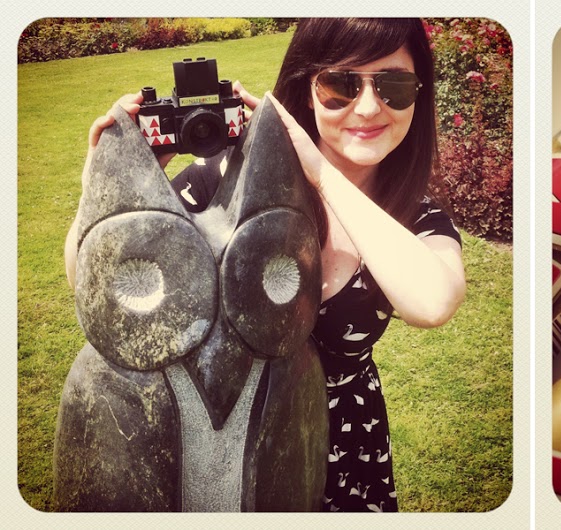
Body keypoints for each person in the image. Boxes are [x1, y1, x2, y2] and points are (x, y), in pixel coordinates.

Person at [67, 18, 466, 512]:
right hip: (228, 441)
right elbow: (91, 287)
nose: (368, 107)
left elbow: (433, 303)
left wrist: (320, 173)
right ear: (307, 90)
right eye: (340, 85)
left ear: (419, 94)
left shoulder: (413, 218)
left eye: (394, 86)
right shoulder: (231, 183)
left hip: (343, 445)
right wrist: (106, 186)